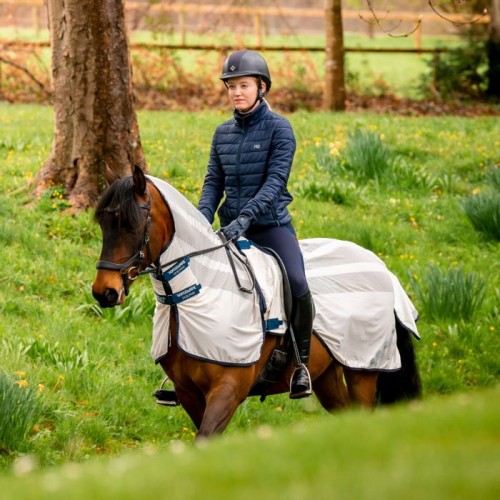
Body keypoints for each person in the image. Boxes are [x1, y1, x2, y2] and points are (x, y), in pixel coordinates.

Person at [198, 49, 314, 399]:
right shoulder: (222, 133)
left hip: (269, 227)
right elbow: (212, 183)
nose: (236, 92)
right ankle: (195, 367)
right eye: (230, 86)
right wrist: (201, 222)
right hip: (228, 230)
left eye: (243, 85)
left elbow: (275, 182)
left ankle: (302, 365)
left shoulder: (280, 129)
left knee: (296, 281)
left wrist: (246, 218)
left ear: (261, 87)